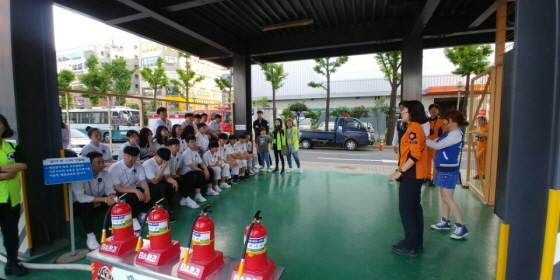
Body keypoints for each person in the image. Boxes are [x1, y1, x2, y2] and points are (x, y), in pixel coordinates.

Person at [387, 100, 429, 257]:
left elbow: (415, 155)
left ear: (412, 112)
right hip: (414, 175)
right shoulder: (413, 128)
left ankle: (410, 245)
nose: (400, 114)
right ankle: (416, 242)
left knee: (406, 210)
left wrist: (399, 171)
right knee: (414, 209)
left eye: (402, 111)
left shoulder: (414, 129)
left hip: (412, 175)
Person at [426, 110, 470, 239]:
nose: (443, 121)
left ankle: (461, 226)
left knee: (448, 198)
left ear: (453, 121)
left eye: (446, 119)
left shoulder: (456, 134)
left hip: (449, 170)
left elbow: (437, 145)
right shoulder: (448, 133)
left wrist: (423, 139)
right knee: (444, 197)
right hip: (442, 169)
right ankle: (445, 221)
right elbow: (435, 142)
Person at [0, 114, 29, 276]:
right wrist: (7, 172)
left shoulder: (12, 147)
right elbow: (14, 170)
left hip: (11, 200)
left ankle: (12, 262)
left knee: (11, 233)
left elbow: (23, 165)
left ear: (4, 127)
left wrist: (1, 169)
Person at [71, 151, 117, 250]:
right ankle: (90, 236)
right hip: (79, 204)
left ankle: (115, 229)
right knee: (86, 206)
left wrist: (111, 195)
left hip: (98, 200)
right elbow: (81, 197)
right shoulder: (79, 175)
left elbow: (109, 189)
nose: (102, 165)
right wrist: (104, 199)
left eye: (103, 162)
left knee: (114, 201)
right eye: (98, 162)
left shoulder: (105, 173)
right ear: (89, 163)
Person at [109, 146, 154, 231]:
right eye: (128, 156)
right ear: (123, 155)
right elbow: (118, 188)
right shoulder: (114, 168)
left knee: (150, 190)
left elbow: (143, 182)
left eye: (134, 156)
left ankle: (142, 213)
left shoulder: (138, 166)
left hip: (132, 189)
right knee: (133, 196)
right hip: (119, 192)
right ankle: (132, 218)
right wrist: (135, 190)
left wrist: (147, 192)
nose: (130, 159)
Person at [179, 135, 220, 201]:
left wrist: (206, 169)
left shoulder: (195, 152)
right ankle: (196, 195)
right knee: (199, 173)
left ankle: (209, 189)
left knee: (210, 170)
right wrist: (203, 171)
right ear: (187, 143)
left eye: (195, 142)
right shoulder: (186, 153)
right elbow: (192, 167)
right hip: (186, 173)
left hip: (194, 171)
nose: (194, 143)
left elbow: (202, 163)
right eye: (191, 142)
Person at [142, 148, 177, 223]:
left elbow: (167, 176)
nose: (163, 162)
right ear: (157, 155)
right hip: (148, 184)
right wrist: (163, 167)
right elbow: (154, 181)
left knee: (171, 185)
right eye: (162, 160)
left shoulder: (164, 161)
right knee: (161, 187)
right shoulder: (148, 164)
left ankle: (168, 205)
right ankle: (166, 212)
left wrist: (174, 182)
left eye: (165, 160)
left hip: (158, 182)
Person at [167, 139, 199, 209]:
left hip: (175, 175)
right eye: (176, 146)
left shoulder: (179, 155)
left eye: (179, 145)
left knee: (192, 176)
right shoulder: (167, 156)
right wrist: (173, 176)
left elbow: (179, 168)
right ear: (170, 146)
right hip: (166, 177)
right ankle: (186, 198)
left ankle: (185, 197)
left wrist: (177, 174)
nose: (178, 147)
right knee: (179, 179)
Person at [426, 104, 448, 186]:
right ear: (429, 110)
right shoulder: (425, 121)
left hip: (436, 145)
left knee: (436, 162)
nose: (433, 110)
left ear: (438, 111)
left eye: (435, 109)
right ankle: (427, 177)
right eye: (432, 109)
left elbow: (445, 133)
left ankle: (434, 179)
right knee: (426, 162)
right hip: (426, 145)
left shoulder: (441, 121)